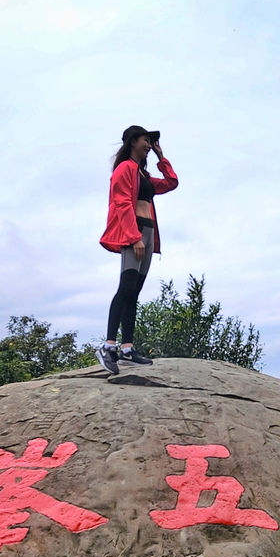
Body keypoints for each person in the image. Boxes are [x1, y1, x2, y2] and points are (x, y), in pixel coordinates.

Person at [96, 125, 179, 374]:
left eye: (151, 142)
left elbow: (171, 182)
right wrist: (134, 238)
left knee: (134, 292)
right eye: (146, 140)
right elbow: (121, 203)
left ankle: (127, 349)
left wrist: (161, 157)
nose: (148, 144)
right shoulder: (125, 169)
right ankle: (108, 346)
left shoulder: (143, 175)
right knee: (125, 287)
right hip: (135, 233)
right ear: (133, 141)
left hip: (149, 232)